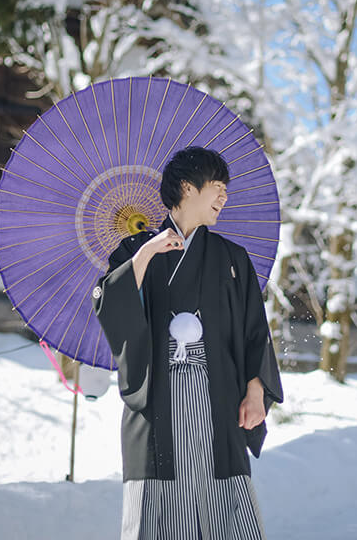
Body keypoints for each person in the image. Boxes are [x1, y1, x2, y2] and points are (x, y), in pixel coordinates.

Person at [92, 146, 283, 540]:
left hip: (219, 399)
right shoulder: (134, 251)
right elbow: (111, 309)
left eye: (225, 190)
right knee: (157, 513)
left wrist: (256, 388)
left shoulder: (232, 257)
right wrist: (144, 254)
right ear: (186, 187)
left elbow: (254, 330)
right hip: (156, 397)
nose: (223, 198)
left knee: (226, 507)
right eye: (216, 187)